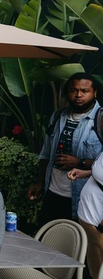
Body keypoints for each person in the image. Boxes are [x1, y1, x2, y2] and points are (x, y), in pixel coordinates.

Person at [29, 73, 101, 226]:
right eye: (73, 90)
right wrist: (40, 183)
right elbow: (46, 153)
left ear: (95, 93)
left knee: (75, 247)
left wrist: (80, 162)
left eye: (85, 91)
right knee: (45, 242)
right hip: (53, 193)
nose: (78, 95)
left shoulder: (101, 120)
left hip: (83, 199)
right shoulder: (58, 116)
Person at [68, 157, 103, 279]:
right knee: (96, 269)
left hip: (98, 224)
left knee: (101, 275)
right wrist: (87, 173)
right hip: (90, 218)